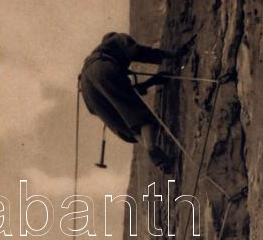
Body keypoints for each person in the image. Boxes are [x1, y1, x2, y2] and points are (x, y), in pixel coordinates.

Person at [79, 31, 184, 172]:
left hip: (87, 91)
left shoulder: (97, 58)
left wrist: (153, 81)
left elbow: (127, 92)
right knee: (139, 113)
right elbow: (136, 52)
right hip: (102, 70)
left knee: (126, 124)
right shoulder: (117, 38)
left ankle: (159, 158)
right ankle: (152, 149)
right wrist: (170, 55)